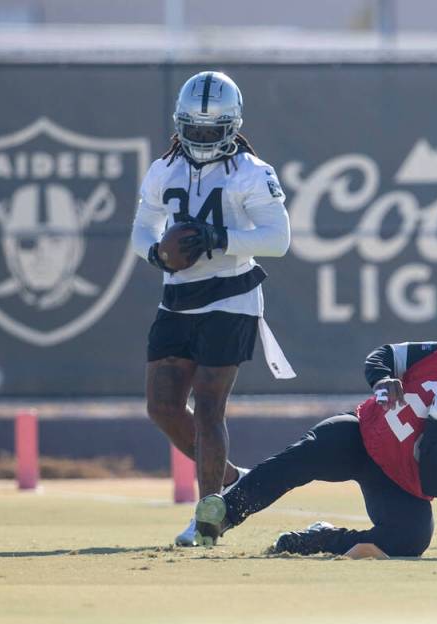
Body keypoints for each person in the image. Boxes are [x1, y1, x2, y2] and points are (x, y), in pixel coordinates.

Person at [190, 330, 437, 555]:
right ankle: (224, 513)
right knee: (301, 456)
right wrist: (382, 379)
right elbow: (384, 354)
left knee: (410, 540)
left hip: (402, 481)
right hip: (363, 435)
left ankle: (320, 539)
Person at [131, 71, 293, 546]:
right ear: (179, 125)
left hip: (231, 294)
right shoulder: (164, 169)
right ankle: (230, 479)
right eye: (194, 130)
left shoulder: (252, 172)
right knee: (161, 406)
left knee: (207, 405)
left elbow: (278, 240)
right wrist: (158, 254)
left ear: (232, 125)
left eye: (211, 131)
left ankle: (207, 518)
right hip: (178, 297)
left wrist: (219, 239)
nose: (201, 139)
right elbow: (142, 227)